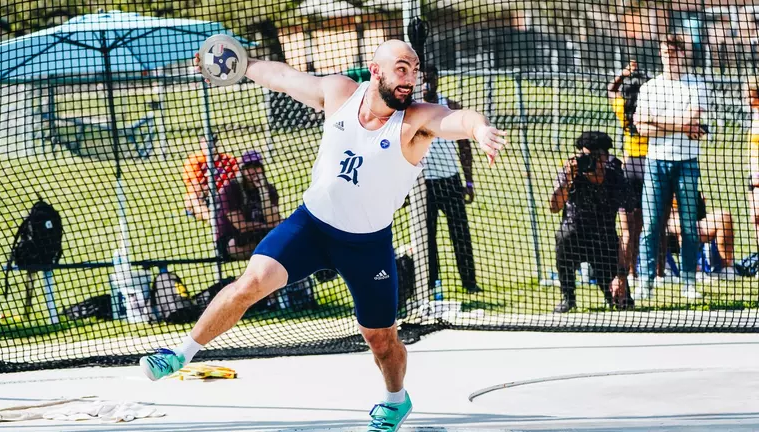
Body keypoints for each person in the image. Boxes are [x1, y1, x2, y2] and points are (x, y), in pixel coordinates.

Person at [140, 39, 507, 431]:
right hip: (311, 226)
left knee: (380, 339)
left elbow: (459, 119)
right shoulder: (340, 93)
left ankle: (395, 400)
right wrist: (238, 63)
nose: (410, 78)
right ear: (376, 69)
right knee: (250, 283)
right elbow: (282, 77)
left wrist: (480, 128)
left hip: (367, 245)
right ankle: (179, 354)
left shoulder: (415, 121)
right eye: (402, 68)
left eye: (414, 69)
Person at [633, 34, 709, 301]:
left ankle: (688, 283)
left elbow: (693, 117)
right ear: (660, 53)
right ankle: (645, 282)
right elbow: (641, 126)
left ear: (684, 53)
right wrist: (679, 126)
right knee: (651, 224)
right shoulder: (650, 87)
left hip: (687, 162)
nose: (670, 54)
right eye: (666, 50)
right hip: (656, 162)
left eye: (675, 50)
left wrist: (657, 122)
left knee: (689, 225)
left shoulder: (696, 84)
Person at [549, 131, 634, 313]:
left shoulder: (615, 177)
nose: (591, 162)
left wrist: (621, 276)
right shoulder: (572, 171)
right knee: (563, 236)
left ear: (606, 158)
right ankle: (568, 297)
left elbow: (627, 231)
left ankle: (614, 290)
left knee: (623, 304)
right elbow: (554, 206)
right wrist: (569, 179)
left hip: (604, 242)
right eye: (586, 156)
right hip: (575, 236)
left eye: (596, 157)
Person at [421, 65, 482, 294]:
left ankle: (469, 282)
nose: (427, 85)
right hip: (423, 184)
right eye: (423, 80)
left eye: (431, 79)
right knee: (426, 236)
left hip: (450, 180)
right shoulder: (412, 108)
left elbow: (465, 147)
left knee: (460, 232)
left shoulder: (451, 106)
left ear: (438, 79)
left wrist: (469, 181)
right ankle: (429, 283)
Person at [607, 60, 650, 286]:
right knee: (650, 226)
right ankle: (658, 274)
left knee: (627, 229)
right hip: (650, 164)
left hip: (629, 166)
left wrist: (623, 74)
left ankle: (629, 273)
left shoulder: (623, 107)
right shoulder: (650, 108)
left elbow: (610, 89)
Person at [215, 150, 282, 261]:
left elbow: (272, 219)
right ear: (242, 170)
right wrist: (267, 226)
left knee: (282, 239)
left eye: (256, 166)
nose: (253, 171)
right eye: (248, 167)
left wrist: (263, 193)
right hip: (232, 240)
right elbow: (241, 226)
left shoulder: (269, 190)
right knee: (272, 244)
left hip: (261, 235)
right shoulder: (230, 190)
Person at [666, 193, 736, 280]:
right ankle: (695, 272)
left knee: (724, 218)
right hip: (667, 223)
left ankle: (726, 269)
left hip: (694, 222)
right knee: (683, 223)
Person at [182, 134, 239, 221]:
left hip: (224, 196)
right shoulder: (194, 161)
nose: (210, 145)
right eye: (206, 143)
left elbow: (237, 180)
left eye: (212, 142)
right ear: (201, 144)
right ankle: (212, 220)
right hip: (204, 197)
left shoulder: (228, 159)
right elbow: (195, 187)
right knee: (193, 197)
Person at [747, 77, 759, 253]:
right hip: (753, 174)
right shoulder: (754, 115)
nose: (747, 99)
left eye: (749, 95)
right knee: (755, 219)